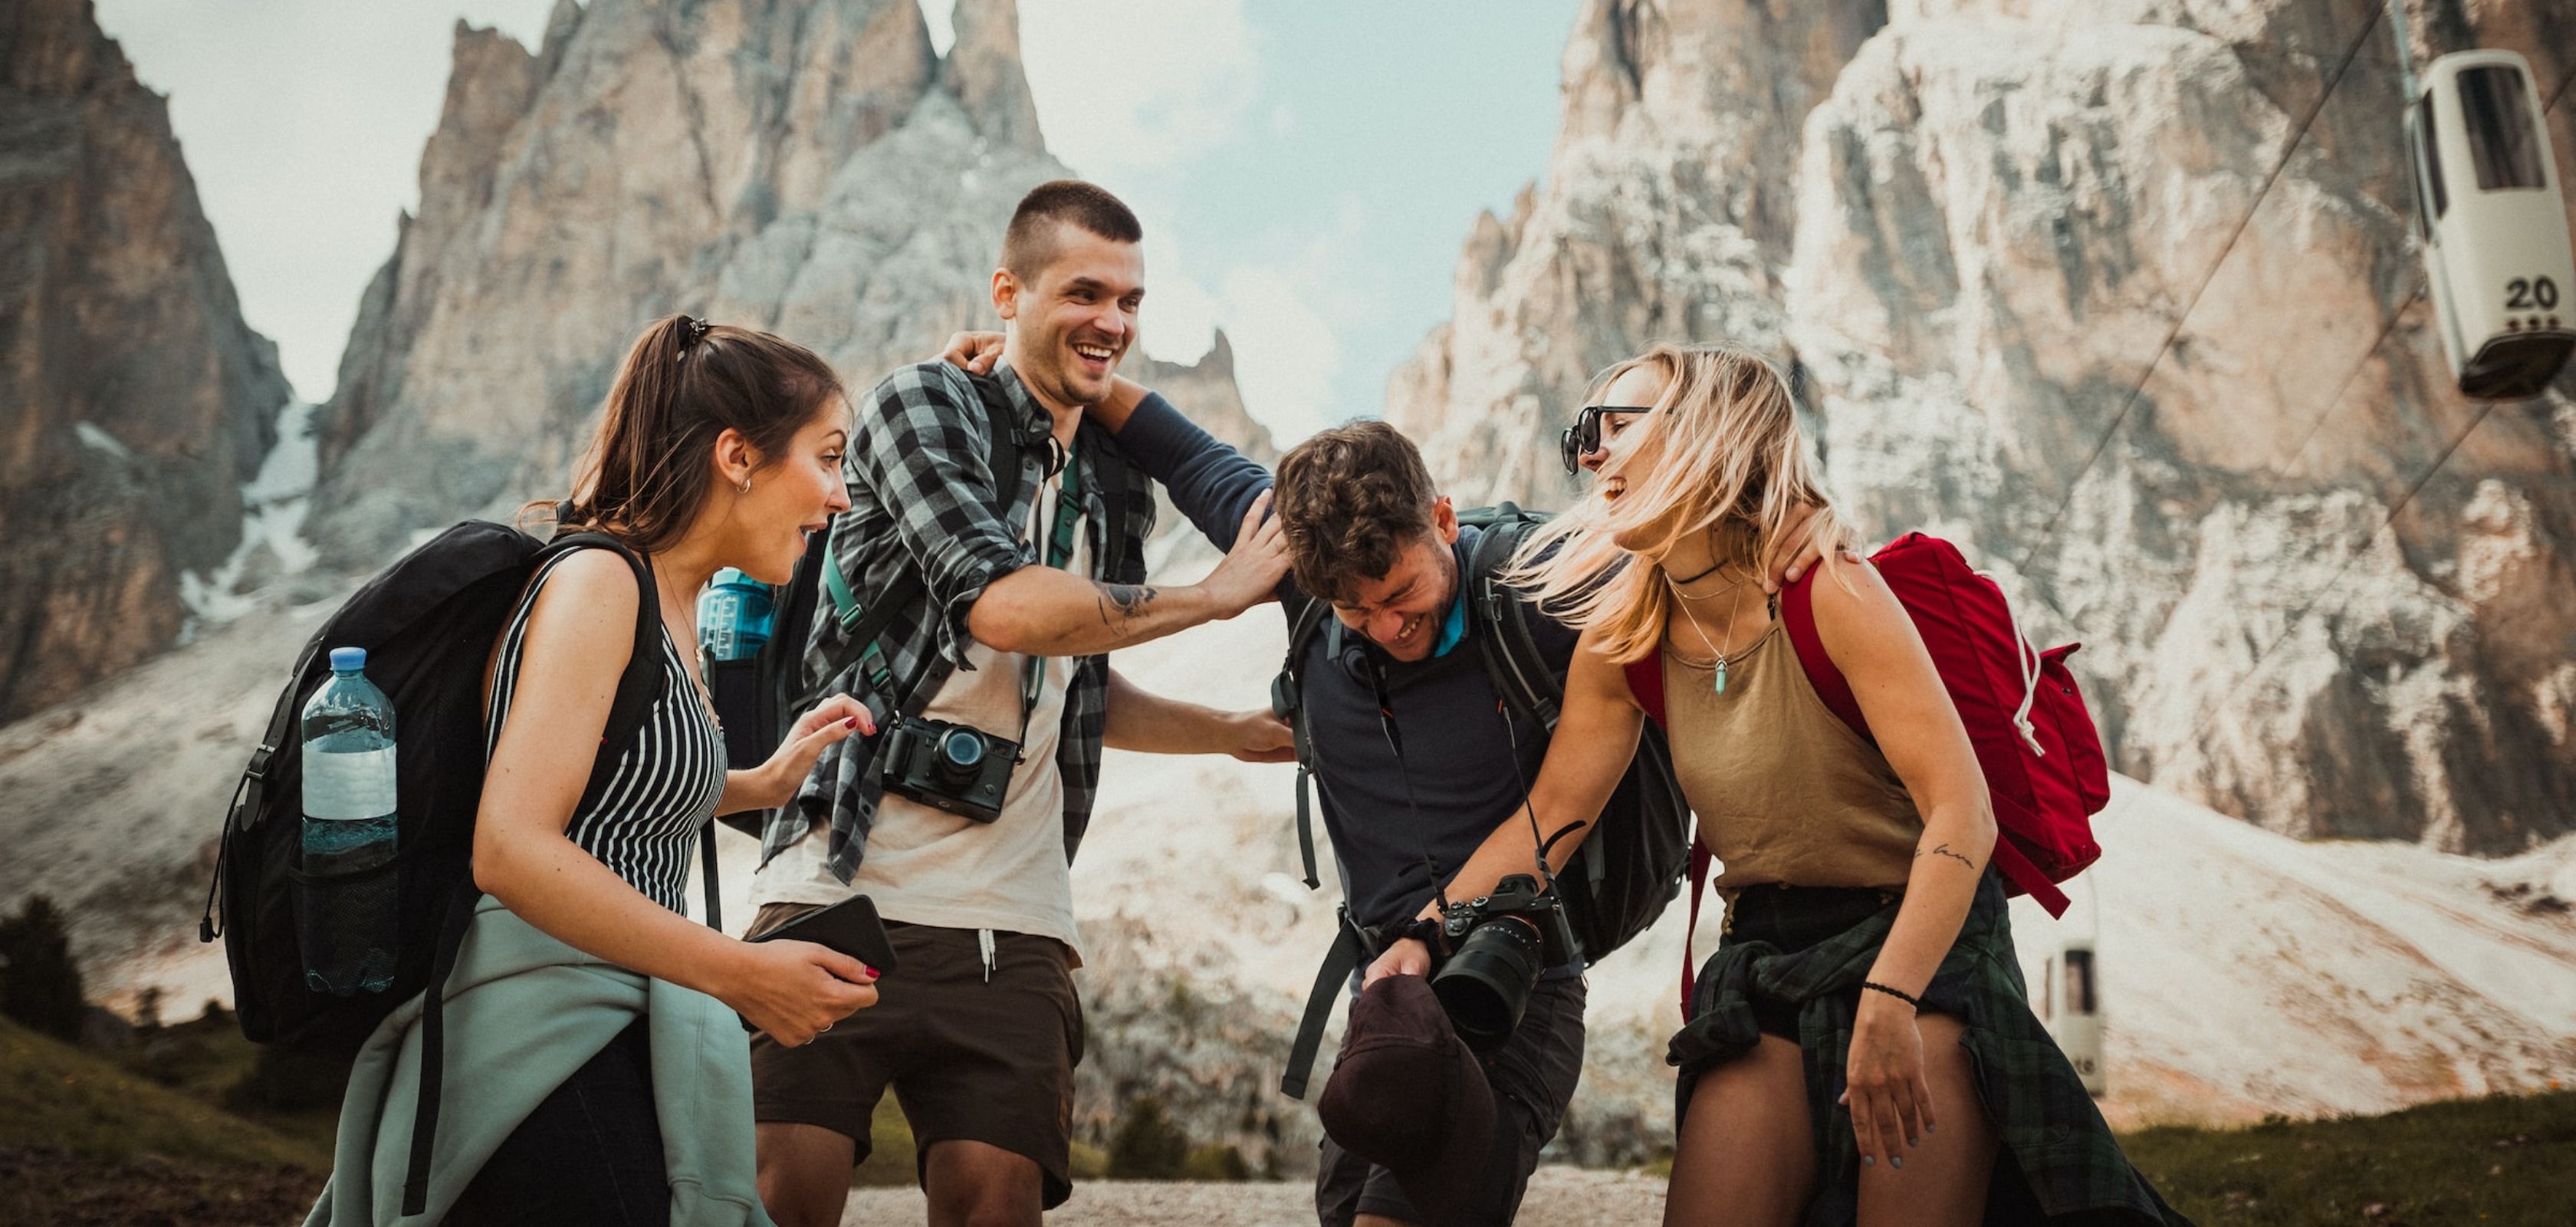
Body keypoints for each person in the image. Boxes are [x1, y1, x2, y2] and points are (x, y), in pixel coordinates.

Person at [912, 334, 1815, 1225]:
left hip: (1515, 977)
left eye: (1405, 596)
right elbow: (1185, 454)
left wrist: (1800, 529)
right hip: (1389, 988)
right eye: (1356, 609)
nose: (1386, 627)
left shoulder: (1543, 586)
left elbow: (1704, 552)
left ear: (1446, 522)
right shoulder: (1304, 575)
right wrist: (1050, 360)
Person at [1414, 341, 2188, 1226]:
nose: (1587, 454)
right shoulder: (1622, 634)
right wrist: (1422, 935)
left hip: (1919, 940)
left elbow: (1961, 813)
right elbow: (1552, 815)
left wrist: (1894, 996)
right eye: (1580, 434)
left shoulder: (1831, 594)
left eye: (1612, 426)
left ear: (1711, 433)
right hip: (1765, 956)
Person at [746, 179, 1295, 1227]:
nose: (1115, 322)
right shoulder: (923, 404)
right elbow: (1003, 609)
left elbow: (1077, 672)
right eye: (1085, 292)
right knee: (781, 1200)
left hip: (1017, 919)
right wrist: (1211, 600)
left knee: (998, 1207)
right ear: (1008, 290)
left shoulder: (1116, 478)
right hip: (840, 878)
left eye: (1132, 302)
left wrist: (1229, 736)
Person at [330, 314, 886, 1226]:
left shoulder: (670, 601)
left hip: (615, 1017)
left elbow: (613, 789)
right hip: (537, 1036)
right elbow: (510, 848)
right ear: (737, 455)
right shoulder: (600, 583)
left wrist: (762, 779)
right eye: (827, 459)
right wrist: (740, 975)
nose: (840, 498)